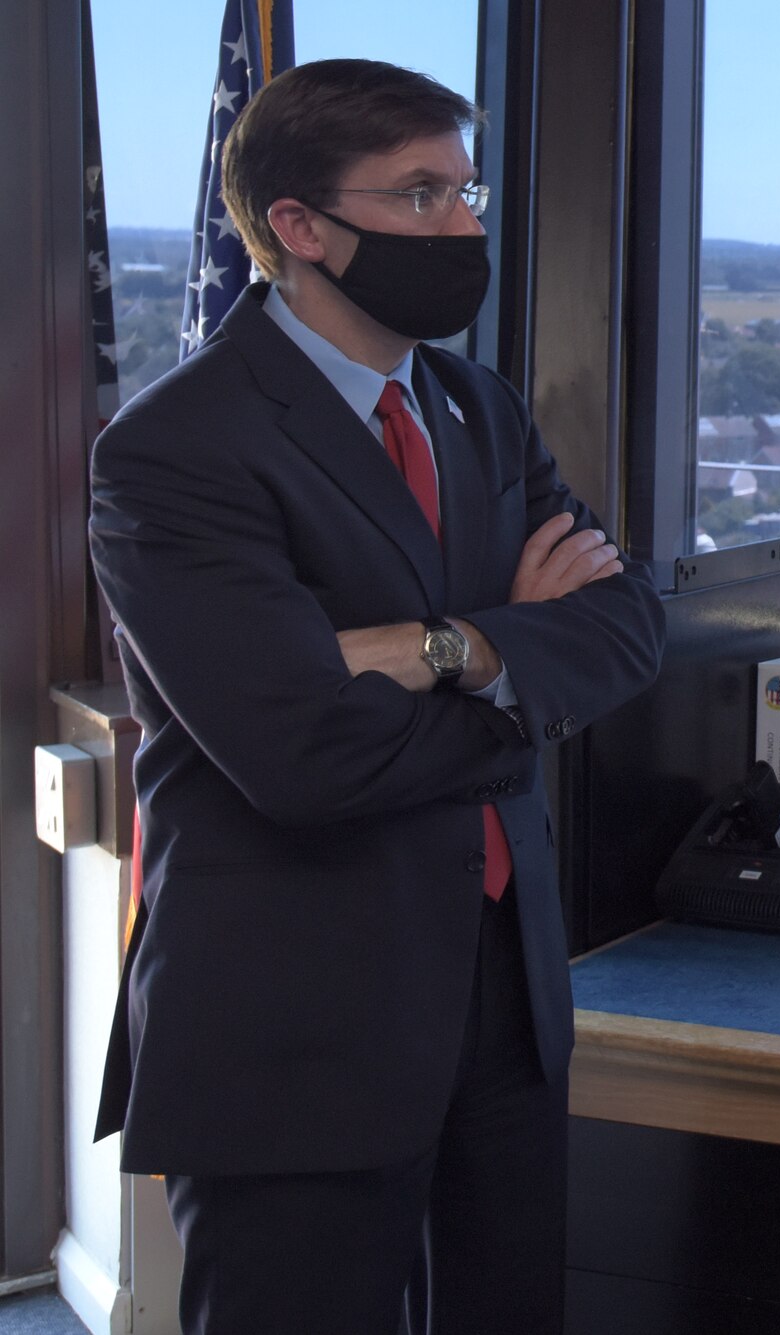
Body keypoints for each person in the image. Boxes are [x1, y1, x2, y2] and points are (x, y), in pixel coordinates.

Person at [89, 59, 669, 1335]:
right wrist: (518, 659)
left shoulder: (473, 405)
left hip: (504, 1006)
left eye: (465, 191)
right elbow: (306, 756)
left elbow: (627, 628)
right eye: (417, 196)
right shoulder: (177, 448)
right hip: (299, 1024)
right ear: (298, 227)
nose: (462, 227)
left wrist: (433, 649)